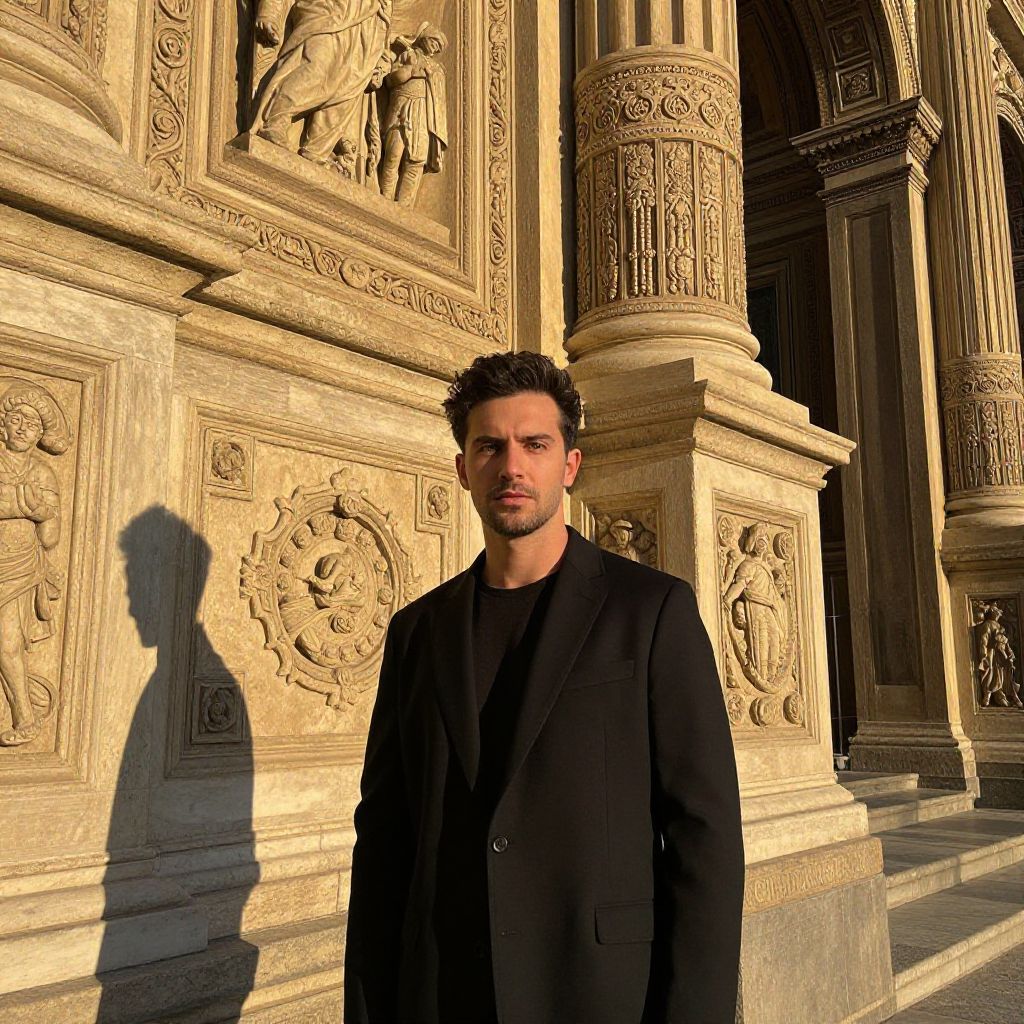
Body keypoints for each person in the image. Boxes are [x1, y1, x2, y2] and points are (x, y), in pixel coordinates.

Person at [345, 352, 744, 1023]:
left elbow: (705, 835)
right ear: (463, 468)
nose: (512, 466)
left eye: (535, 444)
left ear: (569, 465)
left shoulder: (650, 612)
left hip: (598, 990)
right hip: (443, 993)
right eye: (489, 446)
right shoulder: (417, 631)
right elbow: (384, 838)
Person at [0, 381, 70, 747]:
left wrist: (40, 513)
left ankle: (24, 716)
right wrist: (20, 507)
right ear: (4, 423)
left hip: (18, 568)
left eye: (33, 424)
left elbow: (50, 537)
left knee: (7, 642)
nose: (24, 428)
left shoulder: (43, 474)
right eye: (17, 419)